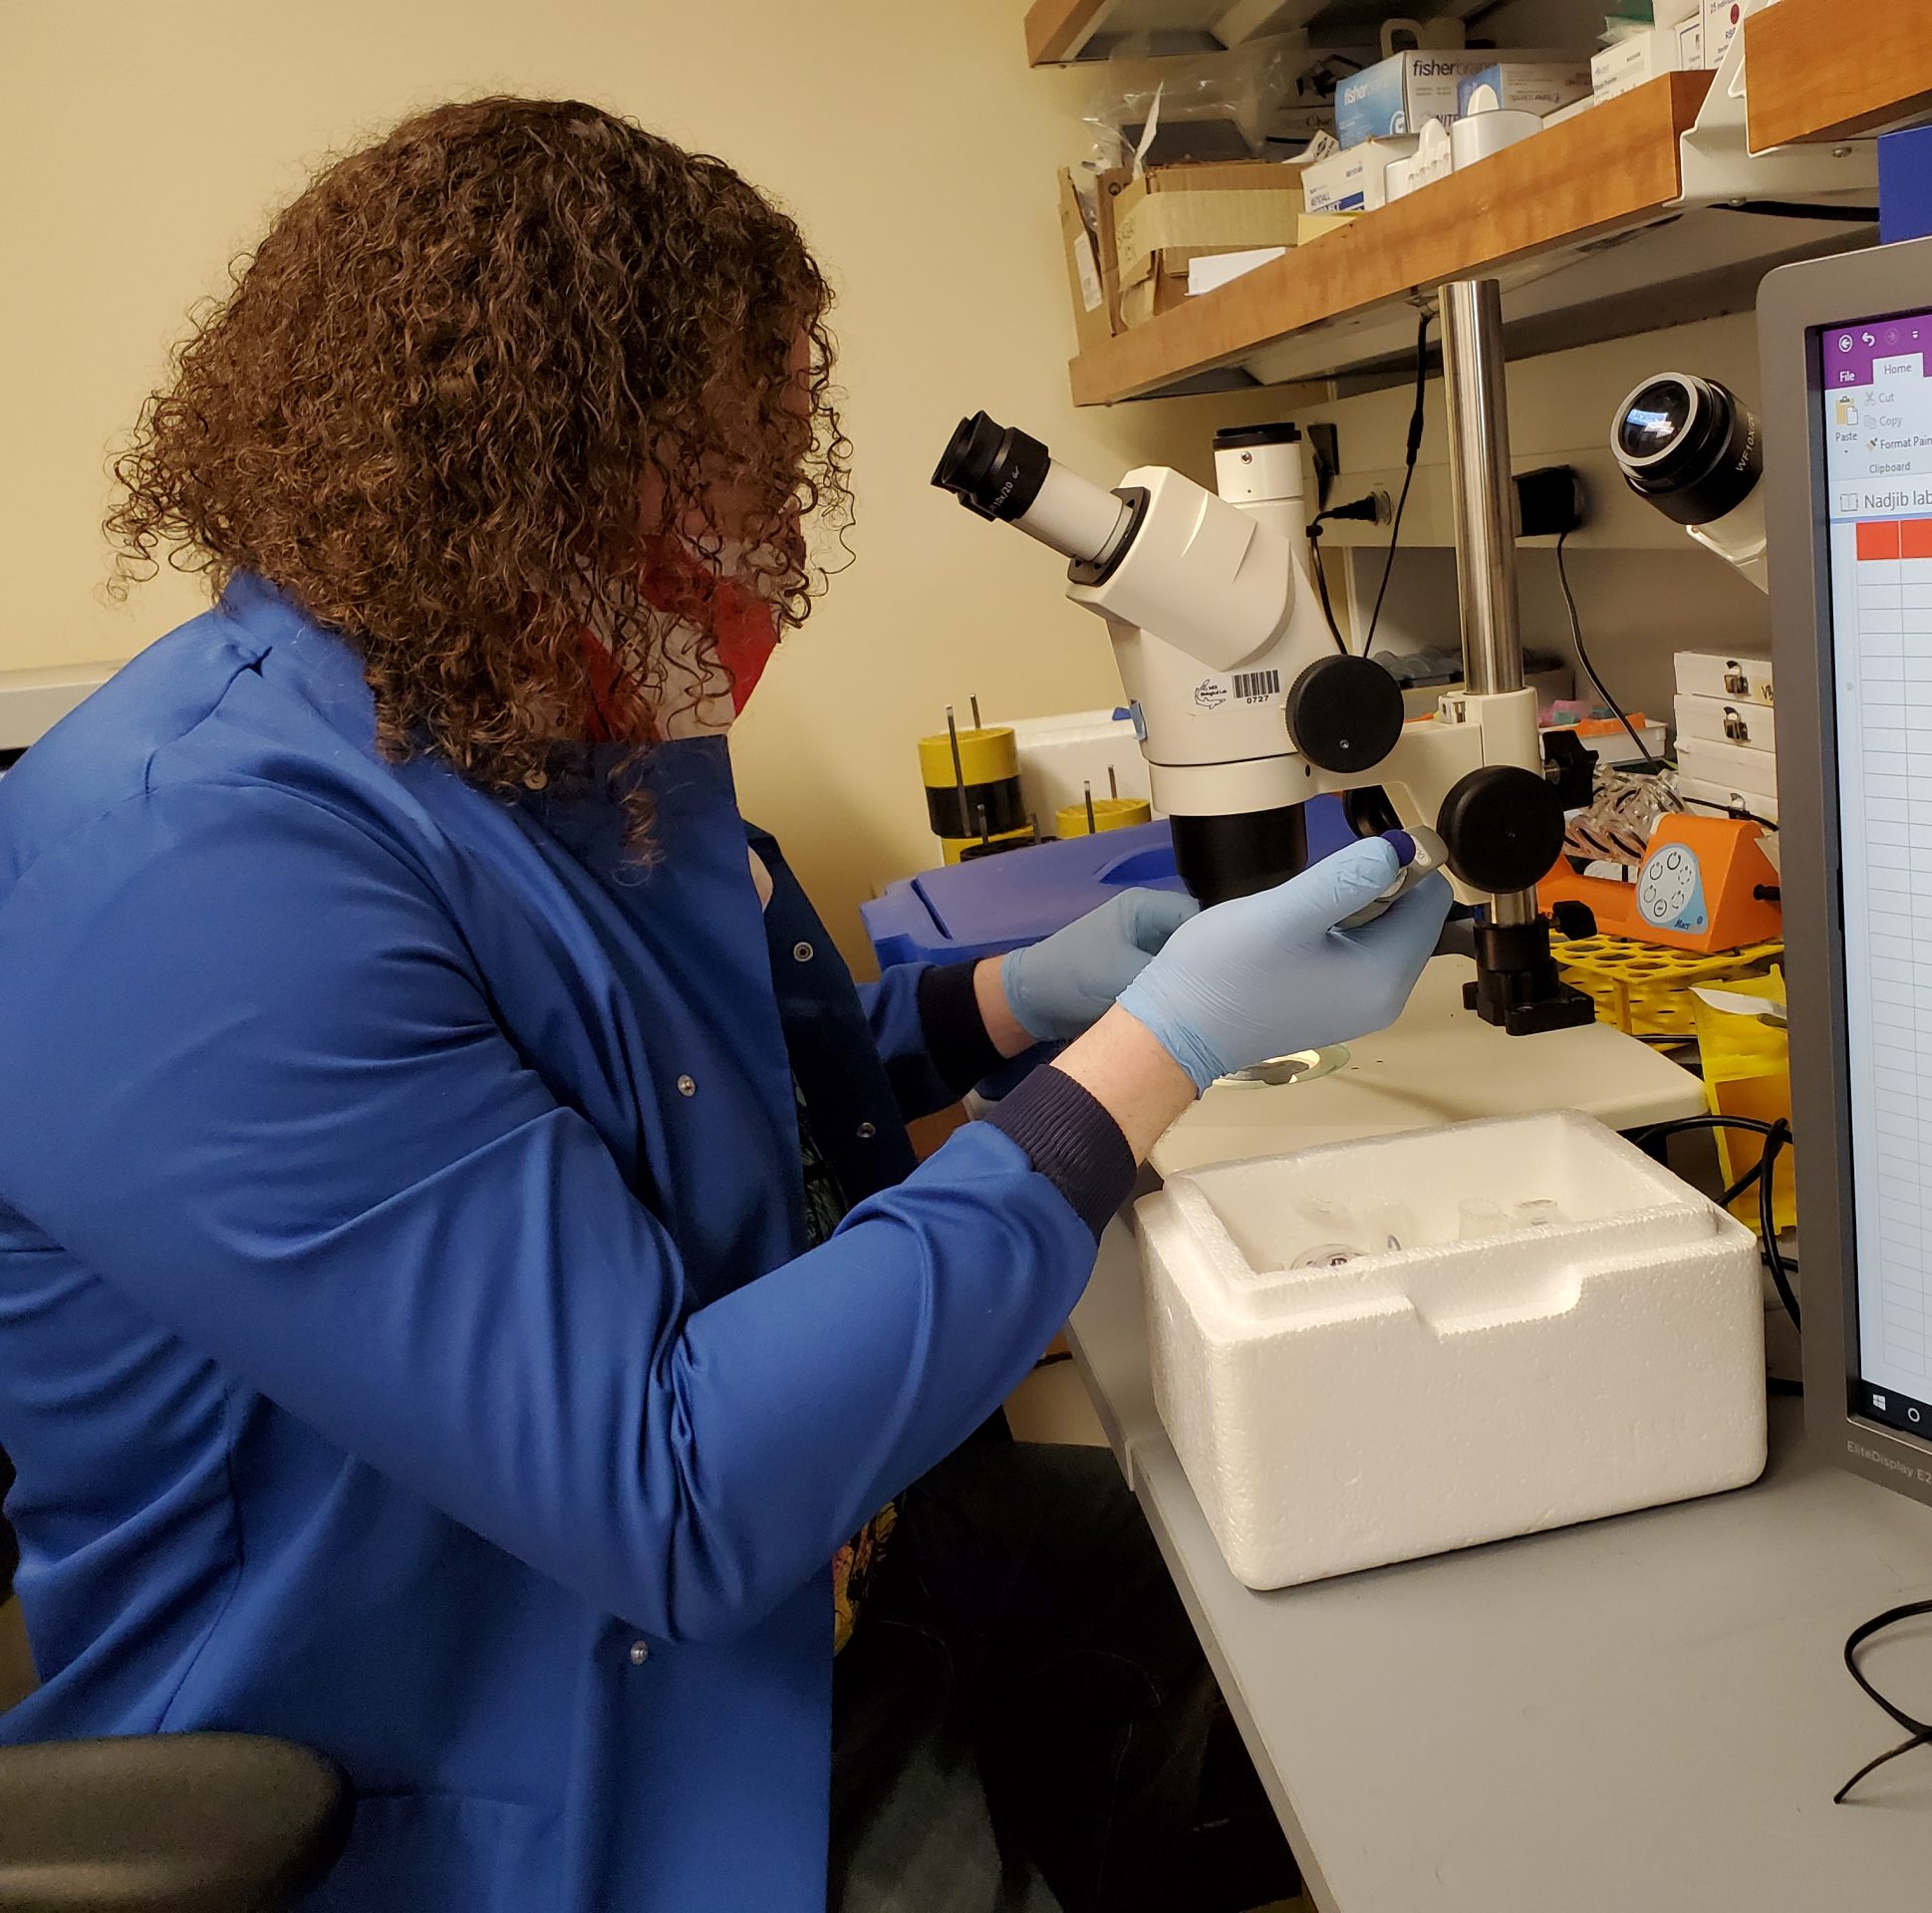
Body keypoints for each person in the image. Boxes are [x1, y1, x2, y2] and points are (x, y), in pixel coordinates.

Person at [0, 98, 1448, 1913]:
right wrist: (1149, 1065)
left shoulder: (508, 720)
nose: (773, 527)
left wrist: (1000, 1009)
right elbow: (662, 1491)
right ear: (516, 452)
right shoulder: (190, 879)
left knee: (1331, 1576)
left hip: (829, 1572)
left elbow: (665, 1109)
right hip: (508, 1746)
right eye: (735, 454)